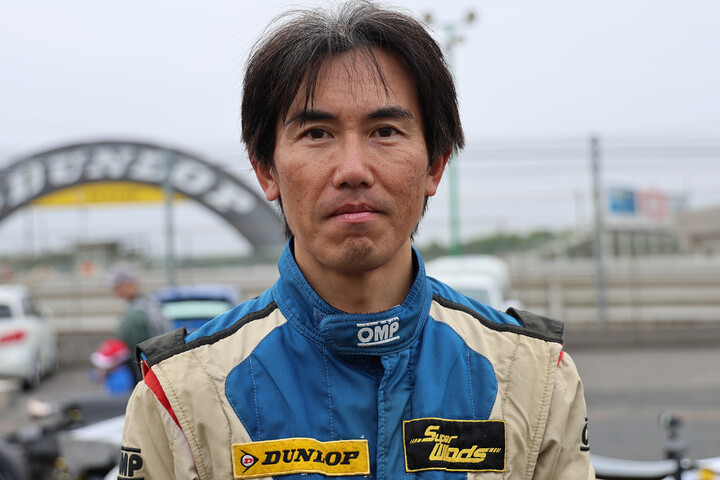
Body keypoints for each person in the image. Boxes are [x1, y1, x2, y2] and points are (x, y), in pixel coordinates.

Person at [119, 2, 594, 479]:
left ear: (435, 164)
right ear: (266, 170)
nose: (352, 170)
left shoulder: (535, 377)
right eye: (317, 133)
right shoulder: (181, 393)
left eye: (384, 131)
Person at [109, 262, 168, 382]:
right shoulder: (142, 305)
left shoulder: (138, 312)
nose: (114, 289)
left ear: (131, 284)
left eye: (118, 285)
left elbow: (136, 348)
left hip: (146, 374)